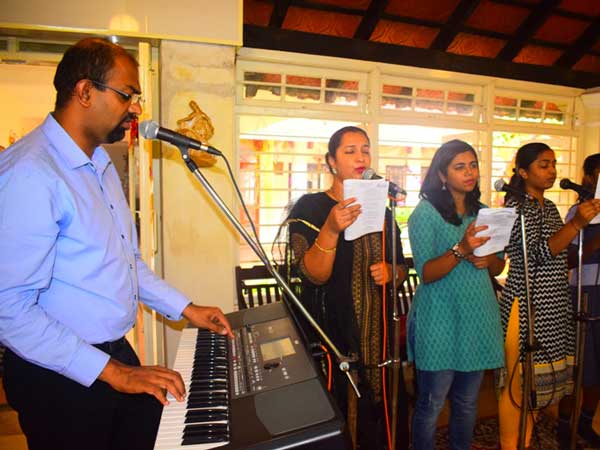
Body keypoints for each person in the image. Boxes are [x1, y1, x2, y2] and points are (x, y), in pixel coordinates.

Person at [0, 38, 233, 450]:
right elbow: (9, 309)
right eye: (127, 94)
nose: (136, 109)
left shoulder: (101, 163)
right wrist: (114, 372)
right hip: (58, 374)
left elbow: (128, 262)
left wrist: (188, 309)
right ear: (85, 91)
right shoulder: (30, 173)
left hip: (112, 353)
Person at [281, 126, 409, 450]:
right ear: (331, 162)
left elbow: (402, 268)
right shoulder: (310, 208)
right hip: (333, 341)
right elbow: (312, 275)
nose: (360, 157)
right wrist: (331, 228)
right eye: (350, 151)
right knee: (341, 424)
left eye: (365, 149)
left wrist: (392, 272)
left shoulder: (382, 210)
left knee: (384, 423)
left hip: (380, 343)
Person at [497, 143, 600, 450]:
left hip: (554, 305)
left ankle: (526, 440)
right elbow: (539, 253)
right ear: (523, 172)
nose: (552, 171)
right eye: (544, 165)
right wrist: (577, 224)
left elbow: (562, 253)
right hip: (527, 305)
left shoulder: (551, 207)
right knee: (520, 386)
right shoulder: (516, 208)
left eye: (554, 164)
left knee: (539, 391)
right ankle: (512, 443)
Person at [407, 139, 505, 450]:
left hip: (477, 315)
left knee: (466, 401)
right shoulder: (424, 214)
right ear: (441, 175)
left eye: (473, 165)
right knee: (432, 403)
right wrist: (461, 249)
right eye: (460, 167)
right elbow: (426, 272)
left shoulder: (484, 213)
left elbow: (498, 265)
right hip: (440, 318)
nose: (469, 172)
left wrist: (488, 260)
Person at [565, 153, 600, 447]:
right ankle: (565, 427)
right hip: (584, 292)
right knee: (579, 368)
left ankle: (587, 422)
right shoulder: (578, 212)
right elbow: (566, 259)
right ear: (589, 177)